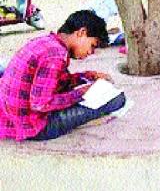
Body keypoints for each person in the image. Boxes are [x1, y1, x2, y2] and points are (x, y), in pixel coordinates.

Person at [0, 10, 126, 141]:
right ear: (81, 33)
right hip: (31, 126)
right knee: (117, 100)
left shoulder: (45, 42)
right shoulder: (55, 56)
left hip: (8, 115)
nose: (91, 52)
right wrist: (82, 93)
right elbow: (40, 104)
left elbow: (56, 81)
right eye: (92, 45)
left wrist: (86, 76)